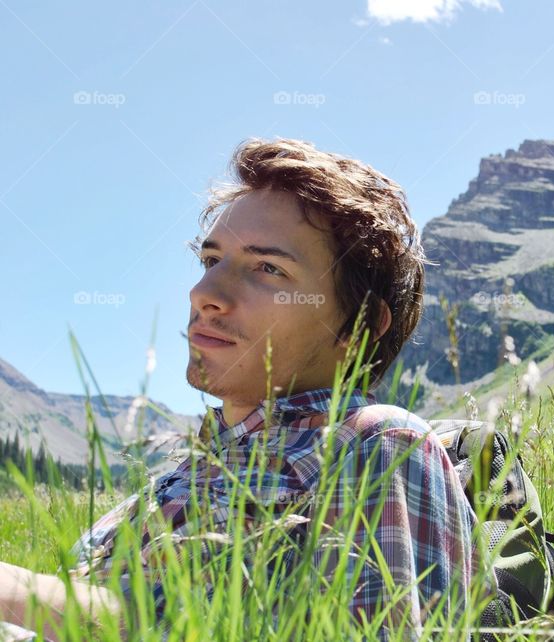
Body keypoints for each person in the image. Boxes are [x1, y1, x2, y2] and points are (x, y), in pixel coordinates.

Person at [0, 138, 479, 640]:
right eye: (211, 261)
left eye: (267, 268)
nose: (204, 294)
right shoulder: (180, 471)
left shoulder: (374, 444)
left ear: (361, 324)